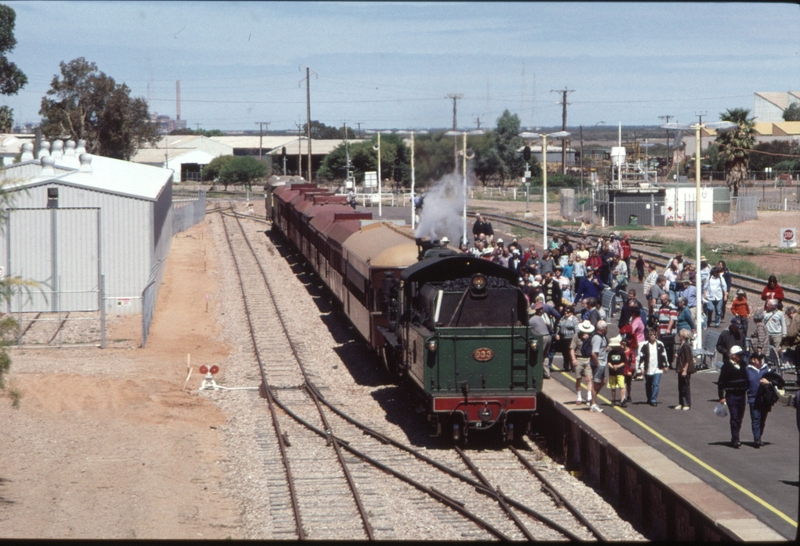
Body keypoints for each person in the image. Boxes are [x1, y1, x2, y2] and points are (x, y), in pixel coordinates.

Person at [718, 345, 749, 448]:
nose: (741, 357)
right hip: (731, 396)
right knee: (734, 417)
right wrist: (721, 397)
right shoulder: (726, 367)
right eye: (739, 355)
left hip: (742, 395)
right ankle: (735, 439)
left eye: (741, 355)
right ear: (733, 356)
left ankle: (736, 435)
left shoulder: (744, 364)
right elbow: (721, 383)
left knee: (740, 418)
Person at [746, 352, 773, 448]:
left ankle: (759, 436)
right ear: (752, 360)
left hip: (764, 398)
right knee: (755, 418)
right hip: (753, 398)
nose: (760, 360)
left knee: (762, 419)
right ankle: (756, 439)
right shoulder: (748, 370)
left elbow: (777, 381)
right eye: (758, 359)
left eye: (761, 358)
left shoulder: (766, 369)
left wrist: (768, 382)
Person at [638, 329, 668, 406]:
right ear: (648, 336)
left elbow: (664, 355)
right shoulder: (644, 345)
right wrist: (641, 367)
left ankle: (653, 399)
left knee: (656, 384)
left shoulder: (660, 344)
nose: (653, 336)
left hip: (658, 368)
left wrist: (665, 365)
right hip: (648, 368)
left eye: (654, 334)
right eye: (651, 335)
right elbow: (641, 356)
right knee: (648, 384)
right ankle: (649, 398)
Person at [571, 320, 595, 405]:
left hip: (587, 359)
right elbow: (572, 349)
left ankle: (589, 396)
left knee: (588, 378)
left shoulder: (591, 337)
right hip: (579, 359)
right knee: (579, 379)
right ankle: (579, 396)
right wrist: (574, 359)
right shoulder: (576, 336)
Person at [528, 302, 553, 379]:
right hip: (548, 336)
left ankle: (537, 374)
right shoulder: (539, 318)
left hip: (542, 338)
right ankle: (547, 373)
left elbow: (529, 331)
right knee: (545, 355)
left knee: (539, 355)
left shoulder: (531, 320)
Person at [589, 320, 609, 413]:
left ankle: (593, 400)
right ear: (603, 329)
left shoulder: (602, 337)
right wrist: (598, 364)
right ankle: (593, 403)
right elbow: (593, 353)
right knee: (596, 383)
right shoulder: (597, 338)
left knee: (602, 381)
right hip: (599, 363)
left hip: (602, 363)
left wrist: (605, 349)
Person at [674, 328, 695, 410]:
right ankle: (681, 402)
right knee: (680, 386)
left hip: (684, 369)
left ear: (683, 336)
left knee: (685, 386)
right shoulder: (681, 345)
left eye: (680, 335)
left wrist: (685, 370)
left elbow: (688, 359)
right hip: (680, 368)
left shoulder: (686, 346)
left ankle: (687, 403)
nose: (679, 337)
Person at [656, 292, 678, 369]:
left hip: (669, 331)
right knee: (662, 346)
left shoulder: (672, 307)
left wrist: (668, 329)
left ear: (667, 299)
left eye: (662, 299)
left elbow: (672, 319)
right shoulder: (661, 307)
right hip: (661, 329)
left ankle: (669, 362)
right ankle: (663, 361)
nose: (661, 301)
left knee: (669, 347)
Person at [555, 305, 579, 372]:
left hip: (571, 339)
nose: (566, 313)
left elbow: (577, 330)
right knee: (564, 353)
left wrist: (576, 338)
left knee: (571, 353)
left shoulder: (574, 319)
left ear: (571, 312)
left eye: (568, 312)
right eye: (565, 311)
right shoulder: (563, 318)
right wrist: (557, 334)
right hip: (563, 339)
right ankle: (565, 367)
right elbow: (558, 326)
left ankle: (573, 367)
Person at [606, 335, 627, 407]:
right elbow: (608, 362)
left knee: (621, 386)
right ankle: (613, 400)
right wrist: (612, 367)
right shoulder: (610, 353)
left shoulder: (621, 352)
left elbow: (624, 362)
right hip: (612, 372)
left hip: (620, 372)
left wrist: (617, 366)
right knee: (613, 387)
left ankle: (622, 400)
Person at [620, 337, 637, 405]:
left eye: (622, 345)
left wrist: (630, 370)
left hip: (628, 371)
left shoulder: (630, 352)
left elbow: (632, 362)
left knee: (628, 384)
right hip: (622, 371)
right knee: (623, 384)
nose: (621, 346)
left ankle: (628, 395)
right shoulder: (621, 352)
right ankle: (623, 397)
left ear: (625, 345)